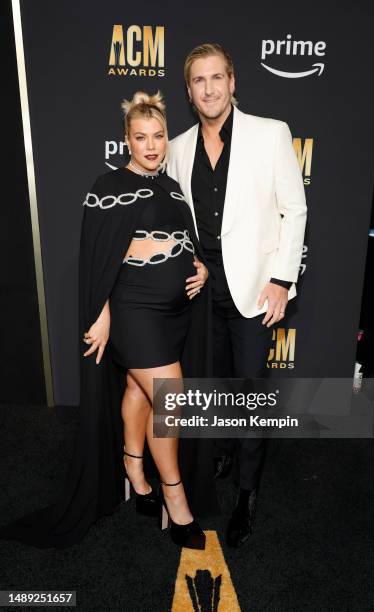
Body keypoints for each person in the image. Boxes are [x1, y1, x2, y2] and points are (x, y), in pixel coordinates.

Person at [0, 91, 218, 550]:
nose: (152, 145)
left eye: (158, 136)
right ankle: (174, 500)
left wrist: (199, 267)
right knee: (172, 400)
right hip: (133, 313)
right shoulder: (108, 186)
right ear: (127, 140)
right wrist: (99, 314)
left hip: (174, 314)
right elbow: (97, 260)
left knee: (140, 392)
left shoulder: (172, 186)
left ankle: (135, 472)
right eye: (141, 137)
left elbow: (184, 238)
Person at [167, 43, 307, 547]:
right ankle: (221, 452)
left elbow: (296, 209)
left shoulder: (270, 135)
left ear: (232, 82)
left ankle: (248, 494)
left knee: (249, 392)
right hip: (201, 292)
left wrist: (281, 279)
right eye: (199, 81)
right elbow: (177, 223)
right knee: (212, 380)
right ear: (189, 91)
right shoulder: (178, 147)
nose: (209, 88)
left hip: (252, 293)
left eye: (217, 78)